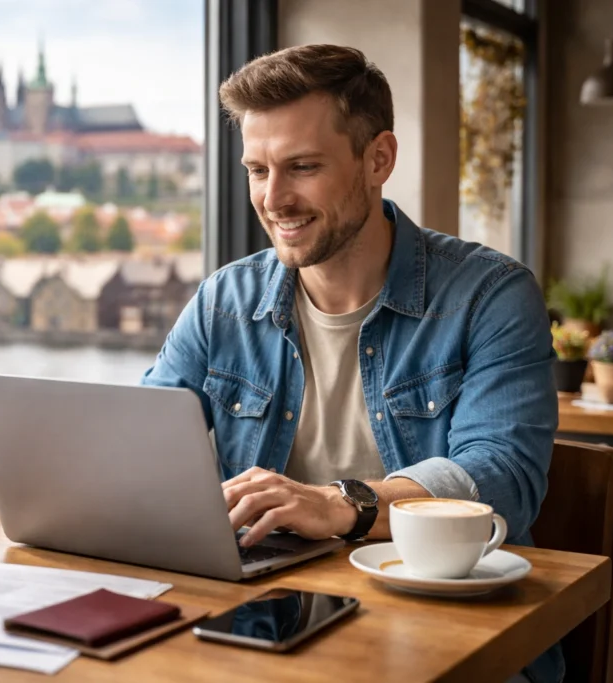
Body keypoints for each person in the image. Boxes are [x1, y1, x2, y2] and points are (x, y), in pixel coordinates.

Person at [141, 44, 559, 682]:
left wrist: (345, 505)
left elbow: (501, 477)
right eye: (258, 170)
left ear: (379, 160)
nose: (273, 198)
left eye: (302, 166)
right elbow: (141, 439)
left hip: (450, 634)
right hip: (259, 626)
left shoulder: (491, 295)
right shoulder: (223, 300)